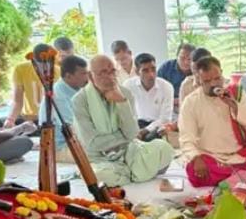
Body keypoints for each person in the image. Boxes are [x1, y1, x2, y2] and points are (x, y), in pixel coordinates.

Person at [179, 56, 246, 187]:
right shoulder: (191, 102)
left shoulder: (235, 92)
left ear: (222, 73)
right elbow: (186, 138)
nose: (213, 84)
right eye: (207, 81)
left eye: (217, 78)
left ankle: (234, 178)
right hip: (212, 156)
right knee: (193, 171)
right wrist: (195, 157)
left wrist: (235, 106)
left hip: (241, 153)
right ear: (198, 80)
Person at [72, 55, 174, 186]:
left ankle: (125, 174)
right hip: (100, 158)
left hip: (130, 151)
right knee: (97, 175)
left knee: (164, 148)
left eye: (112, 71)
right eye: (103, 73)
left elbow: (132, 133)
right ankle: (133, 173)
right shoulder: (79, 100)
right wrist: (124, 136)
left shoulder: (125, 93)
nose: (110, 77)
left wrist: (121, 102)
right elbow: (93, 143)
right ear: (91, 76)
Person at [40, 54, 89, 162]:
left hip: (77, 141)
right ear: (68, 76)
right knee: (103, 153)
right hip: (61, 147)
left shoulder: (78, 90)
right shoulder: (58, 95)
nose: (87, 77)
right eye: (83, 73)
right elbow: (72, 128)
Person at [5, 43, 60, 127]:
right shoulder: (21, 69)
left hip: (53, 121)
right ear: (33, 60)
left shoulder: (59, 71)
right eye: (39, 64)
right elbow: (17, 101)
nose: (44, 67)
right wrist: (10, 120)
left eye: (47, 64)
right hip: (29, 120)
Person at [123, 53, 174, 139]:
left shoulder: (166, 87)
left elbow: (165, 118)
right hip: (136, 124)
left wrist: (145, 130)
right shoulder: (128, 85)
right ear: (137, 72)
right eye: (145, 71)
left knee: (151, 139)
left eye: (153, 69)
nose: (151, 74)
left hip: (157, 126)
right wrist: (135, 130)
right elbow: (126, 113)